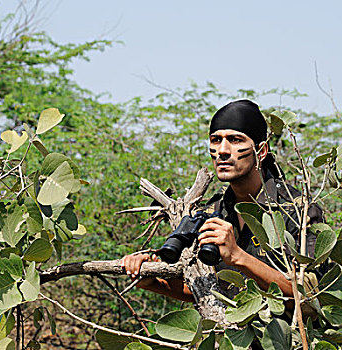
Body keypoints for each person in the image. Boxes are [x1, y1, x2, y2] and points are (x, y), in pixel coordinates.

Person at [121, 99, 324, 303]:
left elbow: (310, 296)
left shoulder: (299, 210)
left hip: (285, 334)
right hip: (228, 333)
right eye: (216, 140)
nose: (223, 150)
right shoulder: (212, 211)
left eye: (236, 140)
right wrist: (153, 282)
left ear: (261, 151)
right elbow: (204, 291)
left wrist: (237, 256)